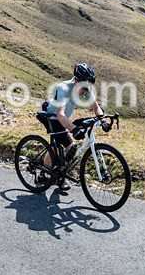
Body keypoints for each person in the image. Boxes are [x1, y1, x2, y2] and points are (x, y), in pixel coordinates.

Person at [39, 63, 104, 191]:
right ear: (76, 82)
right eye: (84, 88)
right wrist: (73, 129)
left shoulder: (84, 88)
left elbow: (96, 107)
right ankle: (57, 177)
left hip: (62, 119)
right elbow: (60, 115)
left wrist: (103, 120)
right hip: (52, 117)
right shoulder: (63, 88)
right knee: (71, 147)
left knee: (56, 148)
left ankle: (45, 173)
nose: (85, 92)